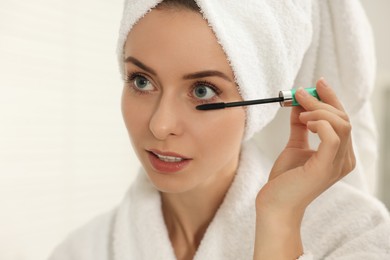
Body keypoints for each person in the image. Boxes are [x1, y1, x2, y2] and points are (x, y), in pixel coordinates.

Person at [49, 0, 390, 259]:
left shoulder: (356, 234)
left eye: (202, 90)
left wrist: (279, 223)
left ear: (262, 100)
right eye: (141, 81)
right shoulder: (81, 250)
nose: (160, 124)